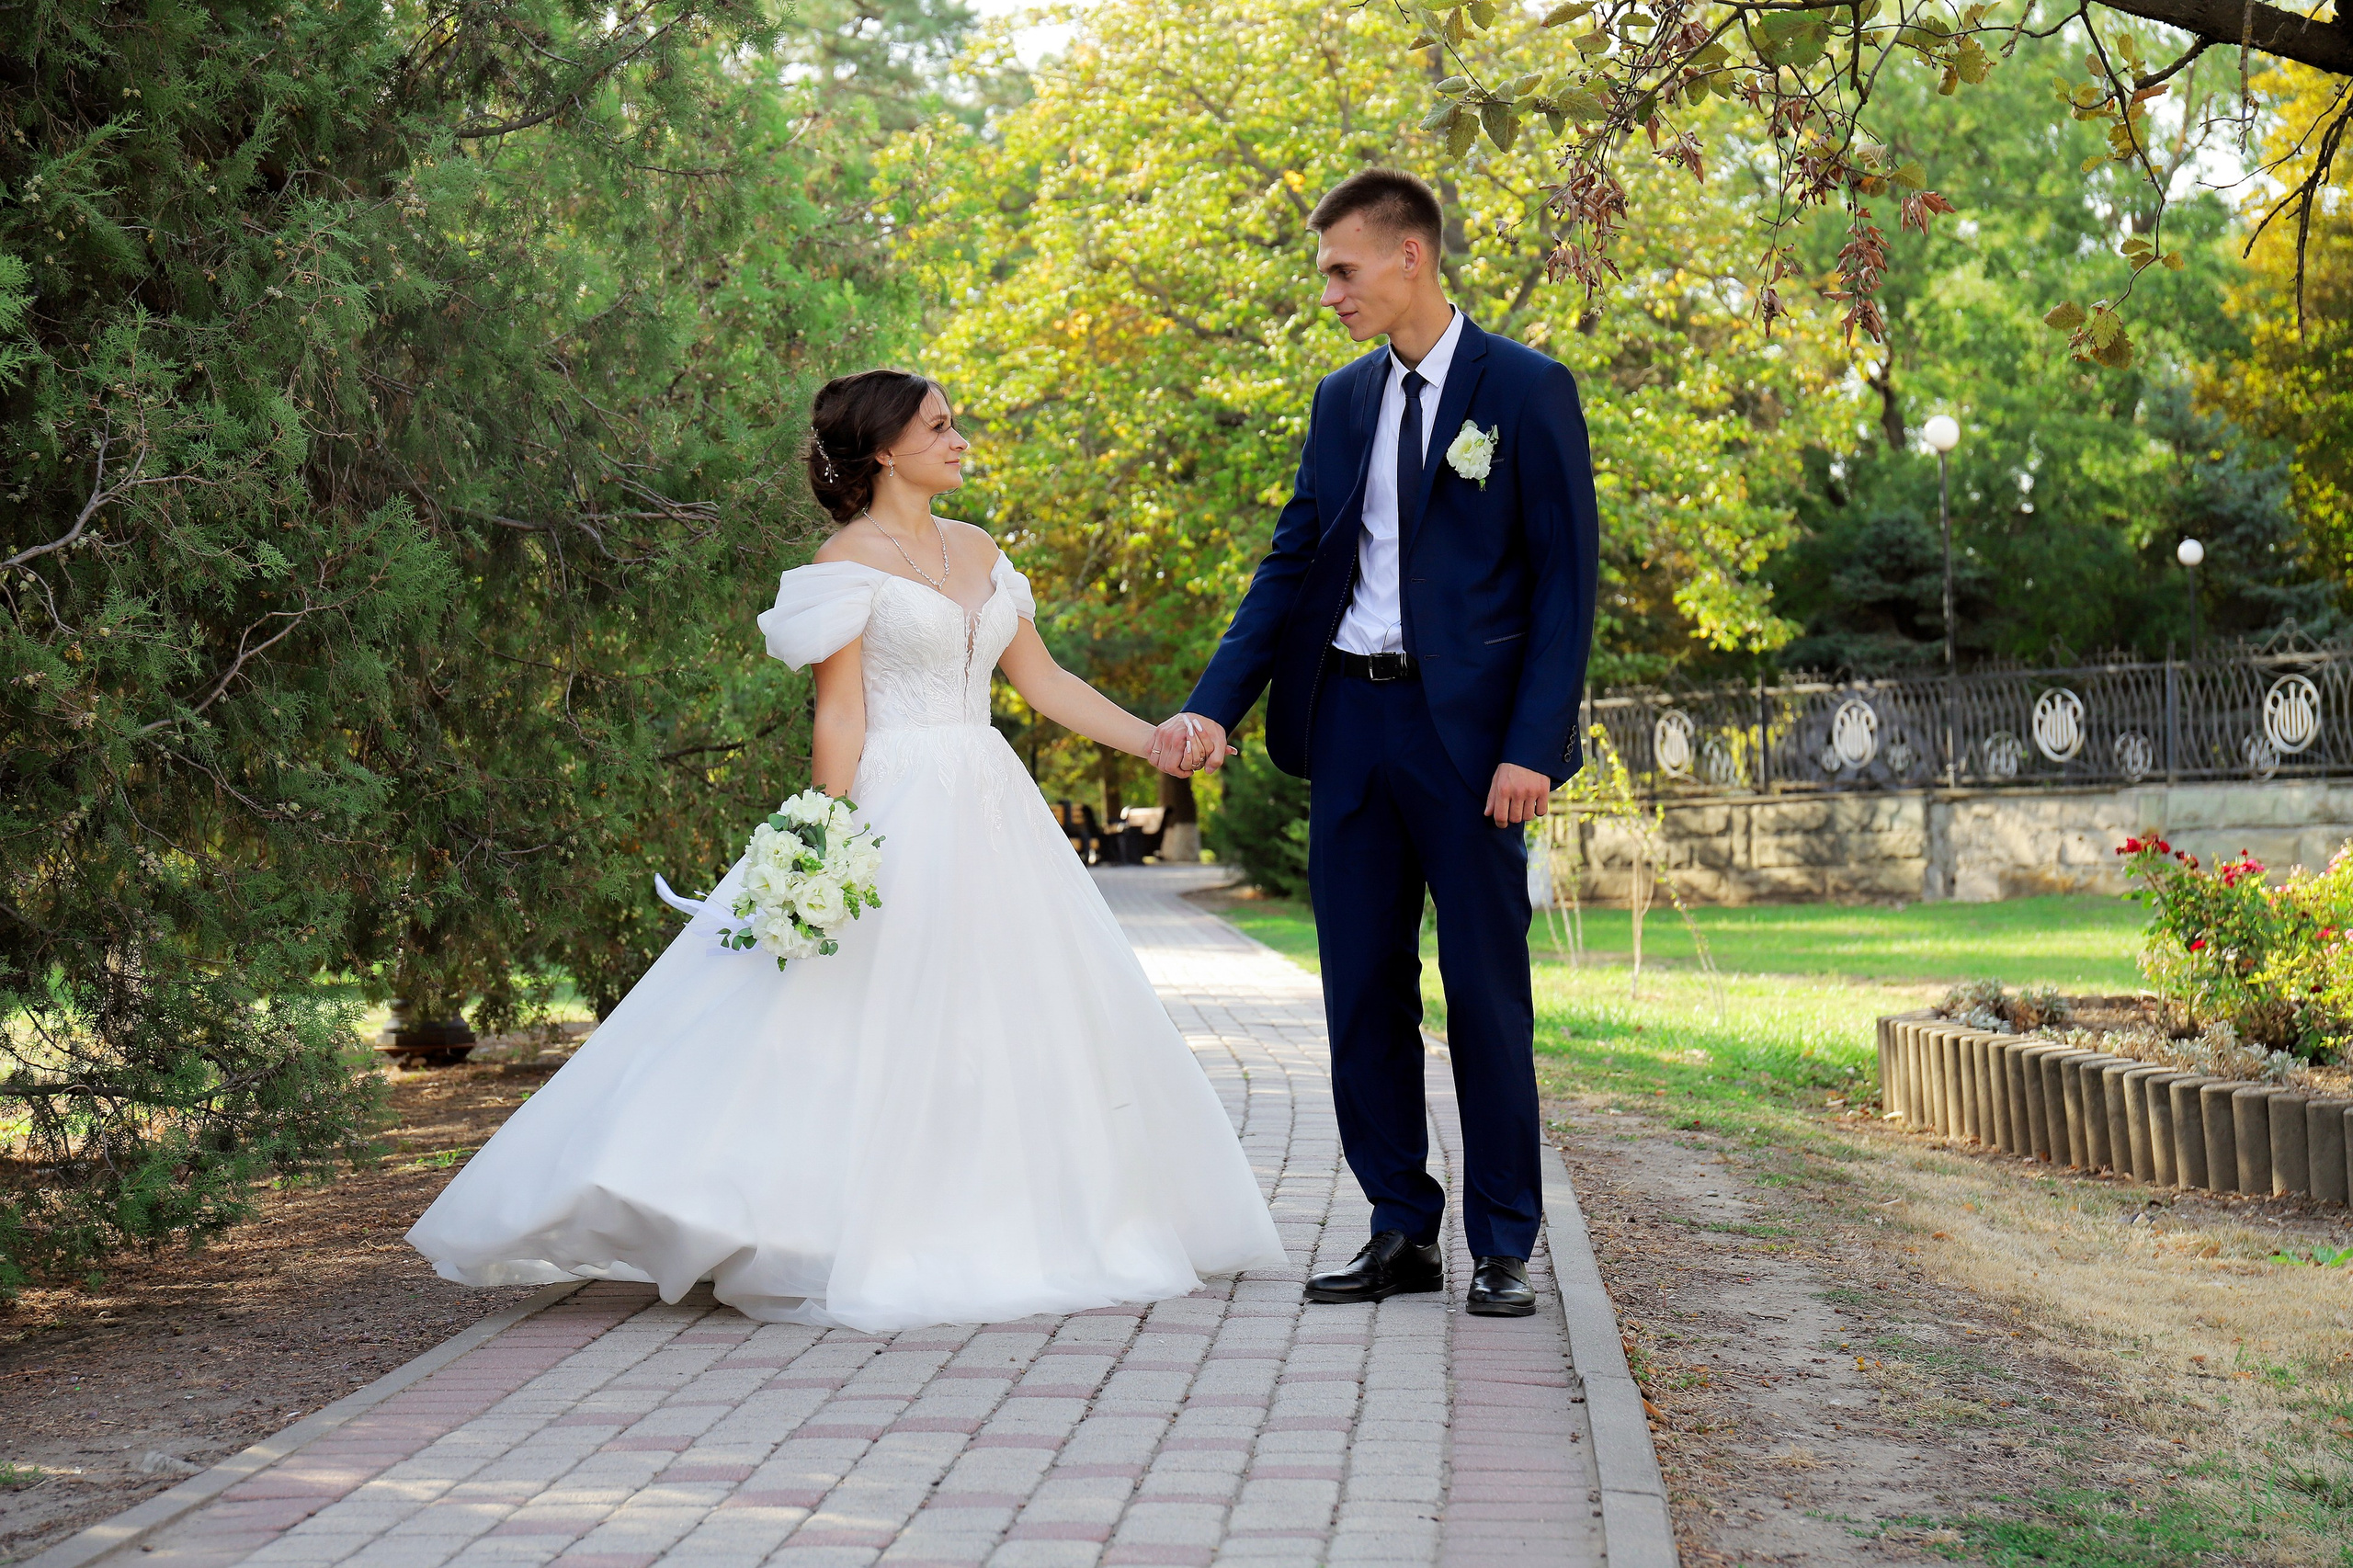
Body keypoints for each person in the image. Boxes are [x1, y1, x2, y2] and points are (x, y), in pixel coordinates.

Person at [407, 369, 1285, 1333]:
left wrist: (1155, 737)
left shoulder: (982, 548)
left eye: (955, 424)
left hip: (992, 802)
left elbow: (1043, 683)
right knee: (845, 1011)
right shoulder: (843, 562)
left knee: (1006, 1009)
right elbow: (841, 710)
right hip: (893, 800)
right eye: (941, 427)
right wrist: (821, 834)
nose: (960, 441)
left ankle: (1017, 1208)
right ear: (882, 449)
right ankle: (782, 1211)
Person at [1149, 169, 1598, 1318]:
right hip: (1350, 722)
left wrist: (1532, 747)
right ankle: (1399, 1225)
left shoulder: (1530, 390)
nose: (1330, 293)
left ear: (1411, 257)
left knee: (1486, 995)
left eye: (1343, 270)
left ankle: (1505, 1240)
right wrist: (1212, 705)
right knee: (1358, 993)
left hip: (1473, 743)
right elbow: (1292, 563)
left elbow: (1564, 587)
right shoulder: (1341, 401)